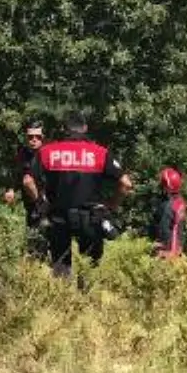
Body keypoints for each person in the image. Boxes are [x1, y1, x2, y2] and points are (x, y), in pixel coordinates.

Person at [24, 111, 134, 278]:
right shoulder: (100, 152)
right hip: (90, 218)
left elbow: (27, 181)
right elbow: (126, 183)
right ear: (85, 128)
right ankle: (87, 300)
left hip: (58, 217)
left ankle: (62, 300)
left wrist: (41, 202)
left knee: (61, 270)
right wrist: (112, 204)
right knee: (89, 270)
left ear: (63, 129)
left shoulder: (47, 152)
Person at [3, 120, 47, 257]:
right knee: (33, 238)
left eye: (37, 137)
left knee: (47, 237)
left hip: (47, 203)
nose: (33, 140)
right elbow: (17, 173)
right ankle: (34, 267)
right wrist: (11, 189)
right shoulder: (23, 153)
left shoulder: (49, 154)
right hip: (31, 205)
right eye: (30, 137)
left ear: (43, 137)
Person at [152, 167, 187, 259]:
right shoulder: (180, 201)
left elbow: (166, 230)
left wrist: (165, 252)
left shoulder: (168, 207)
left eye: (163, 183)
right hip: (177, 249)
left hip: (168, 253)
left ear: (167, 187)